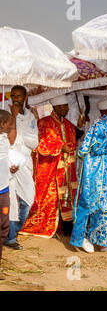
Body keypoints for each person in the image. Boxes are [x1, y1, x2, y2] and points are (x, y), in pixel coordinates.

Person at [70, 98, 107, 253]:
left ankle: (106, 242)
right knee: (89, 205)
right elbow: (94, 147)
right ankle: (80, 238)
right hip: (95, 175)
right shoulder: (99, 125)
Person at [22, 95, 82, 238]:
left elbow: (74, 142)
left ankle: (66, 226)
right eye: (62, 107)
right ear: (55, 107)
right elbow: (39, 144)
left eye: (66, 106)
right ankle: (44, 225)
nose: (66, 109)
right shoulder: (44, 123)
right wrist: (60, 148)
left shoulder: (68, 124)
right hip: (50, 168)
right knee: (50, 198)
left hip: (67, 168)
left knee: (67, 197)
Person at [4, 86, 38, 250]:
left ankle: (10, 231)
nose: (16, 99)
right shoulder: (4, 110)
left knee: (28, 199)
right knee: (10, 201)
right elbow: (7, 140)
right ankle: (10, 238)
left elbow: (34, 142)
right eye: (13, 96)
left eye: (19, 96)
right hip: (6, 162)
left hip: (24, 162)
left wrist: (18, 126)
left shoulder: (30, 116)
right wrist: (13, 118)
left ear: (25, 97)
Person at [0, 110, 13, 280]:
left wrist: (12, 167)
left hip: (3, 189)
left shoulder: (4, 139)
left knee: (3, 227)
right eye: (9, 122)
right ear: (3, 124)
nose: (11, 125)